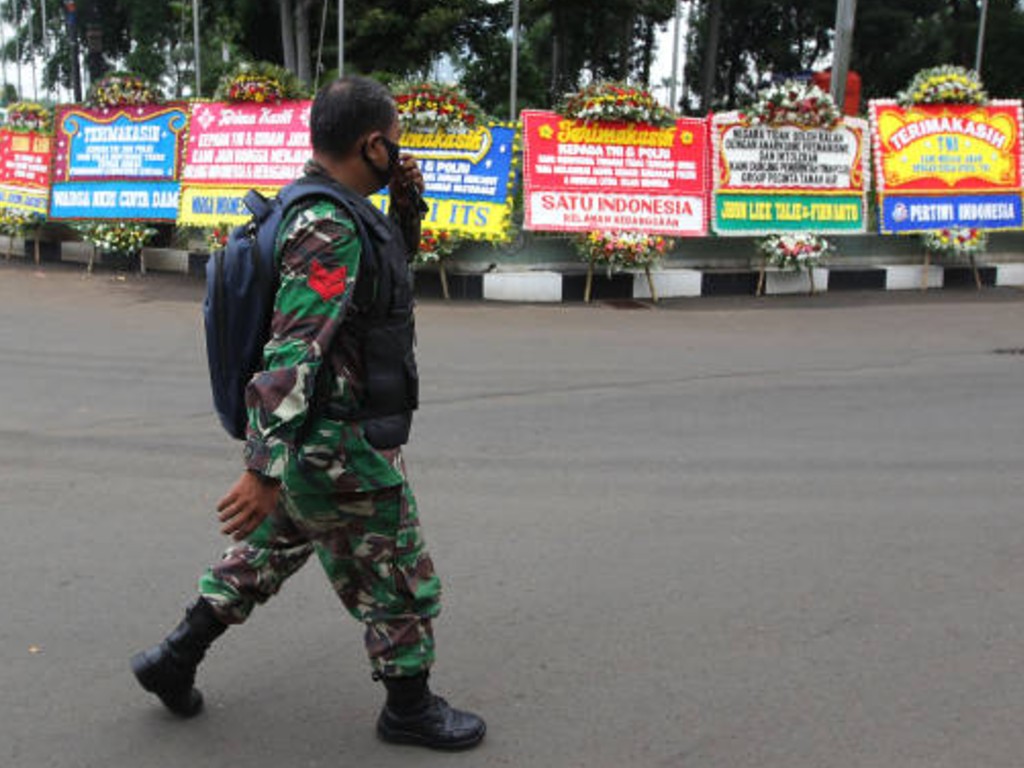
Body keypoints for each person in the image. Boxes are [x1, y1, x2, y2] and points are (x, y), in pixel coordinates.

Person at [130, 75, 485, 751]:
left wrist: (407, 206)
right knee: (398, 570)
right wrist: (264, 466)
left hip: (315, 445)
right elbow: (294, 347)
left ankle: (173, 657)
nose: (400, 153)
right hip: (339, 444)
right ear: (372, 143)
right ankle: (408, 707)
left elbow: (380, 288)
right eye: (396, 143)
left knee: (266, 551)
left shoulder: (329, 208)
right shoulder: (326, 225)